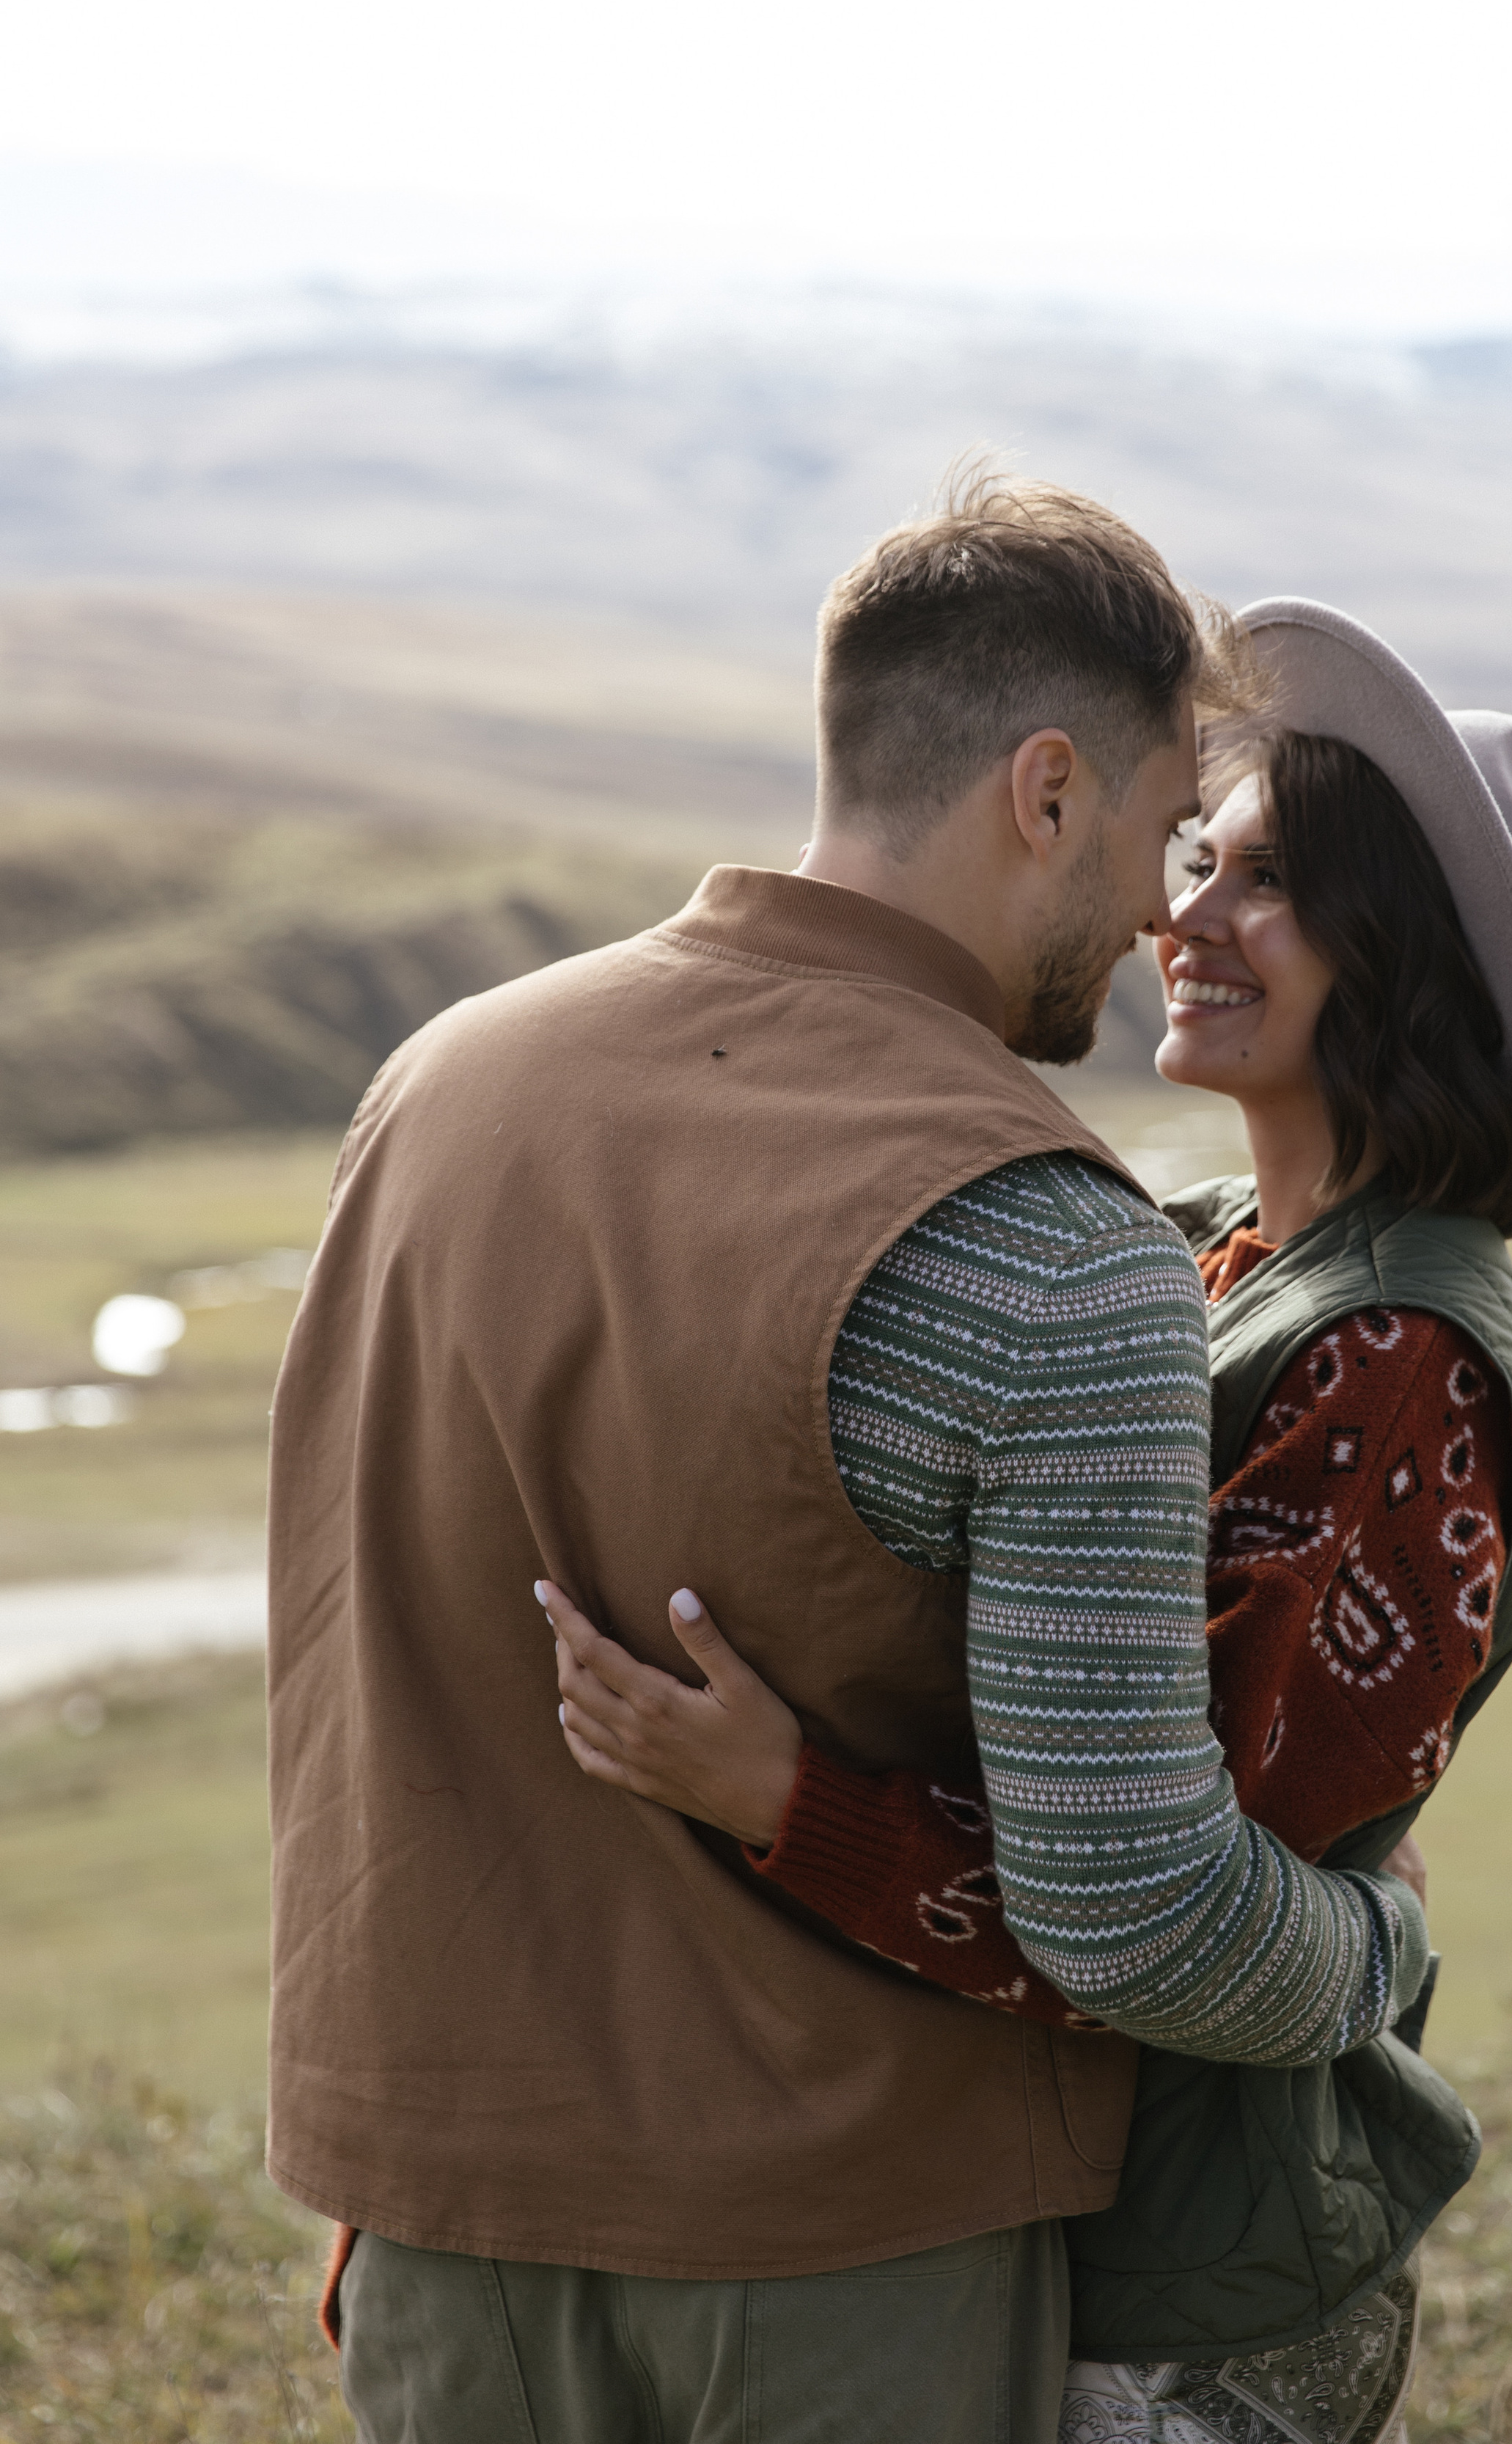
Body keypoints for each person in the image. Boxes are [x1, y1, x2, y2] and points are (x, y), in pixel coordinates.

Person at [273, 483, 1440, 2444]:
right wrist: (1373, 1942)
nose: (1170, 918)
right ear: (1045, 794)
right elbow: (1133, 1910)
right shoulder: (1054, 1252)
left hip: (429, 2215)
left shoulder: (439, 1086)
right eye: (1166, 837)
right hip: (842, 2263)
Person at [533, 598, 1512, 2444]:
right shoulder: (1217, 1240)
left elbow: (1148, 1916)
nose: (1179, 918)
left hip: (1198, 2281)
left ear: (1404, 962)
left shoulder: (1395, 1372)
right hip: (1085, 2211)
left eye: (1265, 884)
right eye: (1199, 855)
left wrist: (781, 1804)